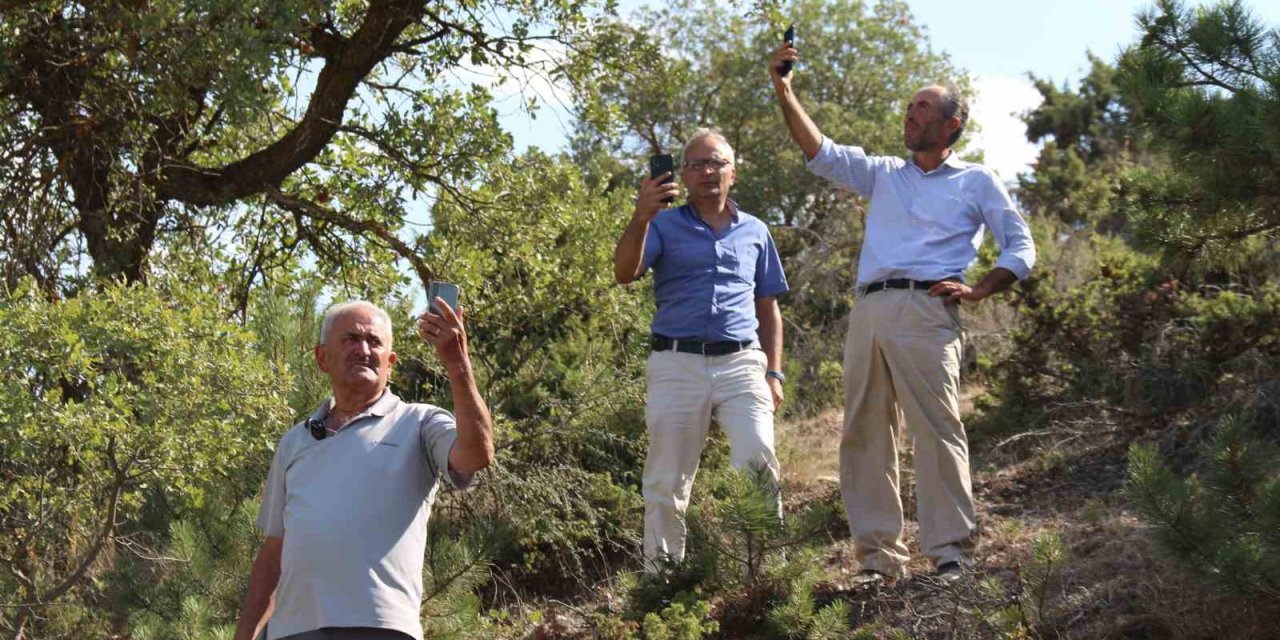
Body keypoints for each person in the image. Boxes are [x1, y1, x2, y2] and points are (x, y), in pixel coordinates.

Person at [768, 42, 1036, 583]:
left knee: (937, 429)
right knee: (864, 433)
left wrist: (980, 290)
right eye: (909, 107)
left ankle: (951, 553)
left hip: (927, 311)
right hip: (869, 309)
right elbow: (819, 152)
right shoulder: (884, 173)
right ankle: (877, 559)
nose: (909, 115)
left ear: (951, 123)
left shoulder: (977, 180)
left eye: (921, 108)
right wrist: (784, 88)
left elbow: (1021, 247)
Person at [233, 298, 494, 640]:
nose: (364, 349)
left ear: (391, 363)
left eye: (374, 342)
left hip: (380, 627)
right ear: (322, 357)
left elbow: (476, 455)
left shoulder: (419, 422)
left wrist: (457, 364)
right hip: (292, 631)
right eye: (351, 339)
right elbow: (273, 553)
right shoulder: (295, 441)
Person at [614, 128, 790, 569]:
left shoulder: (755, 230)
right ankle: (662, 581)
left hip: (743, 362)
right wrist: (640, 216)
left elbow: (768, 308)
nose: (708, 171)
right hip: (676, 363)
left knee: (758, 462)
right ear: (683, 176)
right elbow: (624, 272)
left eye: (717, 163)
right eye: (696, 165)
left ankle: (766, 576)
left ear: (734, 172)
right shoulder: (661, 224)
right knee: (667, 479)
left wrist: (774, 373)